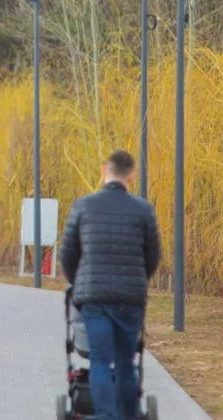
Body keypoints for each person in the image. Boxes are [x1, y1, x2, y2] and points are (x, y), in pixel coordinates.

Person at [59, 149, 162, 420]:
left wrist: (79, 281)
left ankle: (105, 416)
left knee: (100, 360)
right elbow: (153, 256)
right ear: (131, 175)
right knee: (127, 362)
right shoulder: (143, 210)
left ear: (105, 171)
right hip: (130, 299)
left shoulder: (84, 206)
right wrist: (138, 279)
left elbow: (68, 253)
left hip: (94, 299)